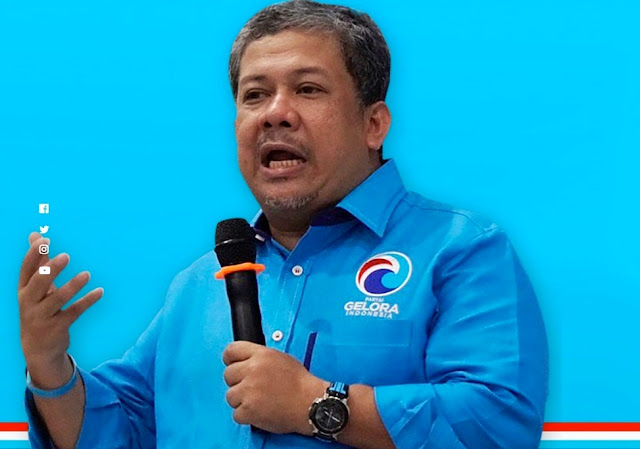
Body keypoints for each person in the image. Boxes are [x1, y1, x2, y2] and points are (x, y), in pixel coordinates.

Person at [17, 1, 548, 448]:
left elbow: (497, 422)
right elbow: (118, 429)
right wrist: (49, 365)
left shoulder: (459, 251)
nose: (275, 113)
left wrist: (315, 404)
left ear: (373, 123)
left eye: (308, 89)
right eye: (255, 95)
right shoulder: (198, 284)